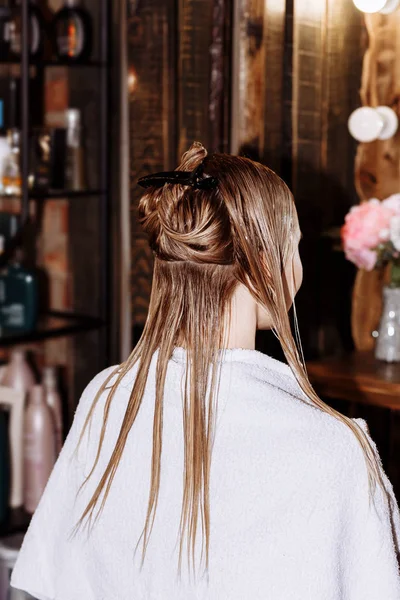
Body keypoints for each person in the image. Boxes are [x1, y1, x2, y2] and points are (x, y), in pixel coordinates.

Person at [10, 142, 400, 599]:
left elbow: (40, 582)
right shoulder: (335, 449)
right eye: (293, 248)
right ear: (263, 270)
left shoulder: (106, 396)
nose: (299, 267)